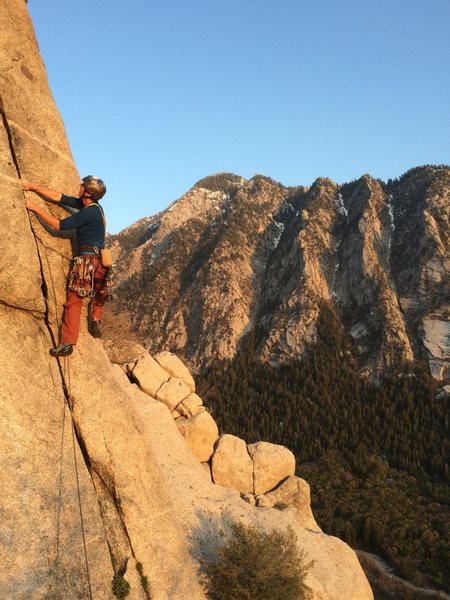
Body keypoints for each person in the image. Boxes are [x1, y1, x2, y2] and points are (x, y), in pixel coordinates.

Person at [22, 176, 110, 357]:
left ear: (87, 192)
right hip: (101, 261)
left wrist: (34, 208)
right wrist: (32, 186)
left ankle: (68, 343)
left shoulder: (88, 213)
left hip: (87, 262)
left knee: (74, 300)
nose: (79, 186)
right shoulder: (94, 208)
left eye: (82, 186)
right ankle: (96, 319)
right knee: (100, 291)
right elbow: (58, 197)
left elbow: (59, 225)